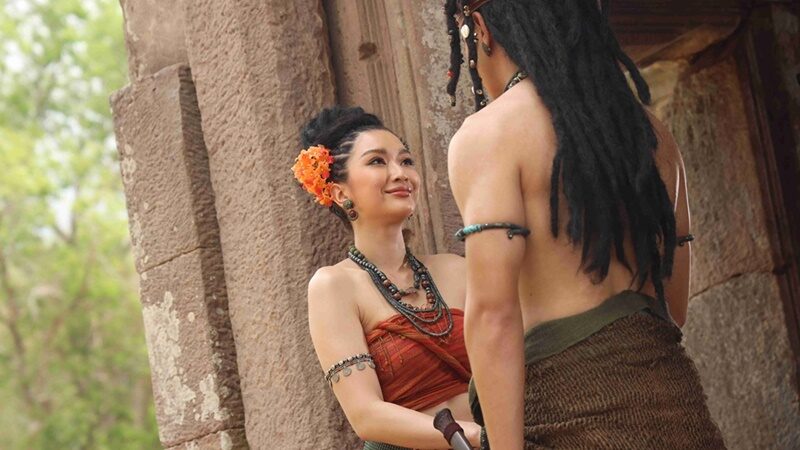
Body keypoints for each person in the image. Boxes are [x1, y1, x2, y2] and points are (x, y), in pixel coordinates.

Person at [442, 0, 726, 448]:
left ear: (480, 29)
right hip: (682, 412)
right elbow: (674, 305)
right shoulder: (650, 132)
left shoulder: (489, 135)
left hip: (568, 421)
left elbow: (494, 316)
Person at [296, 106, 482, 449]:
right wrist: (475, 437)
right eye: (377, 161)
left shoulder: (456, 270)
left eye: (406, 160)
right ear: (340, 193)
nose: (400, 173)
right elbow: (366, 416)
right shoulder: (334, 286)